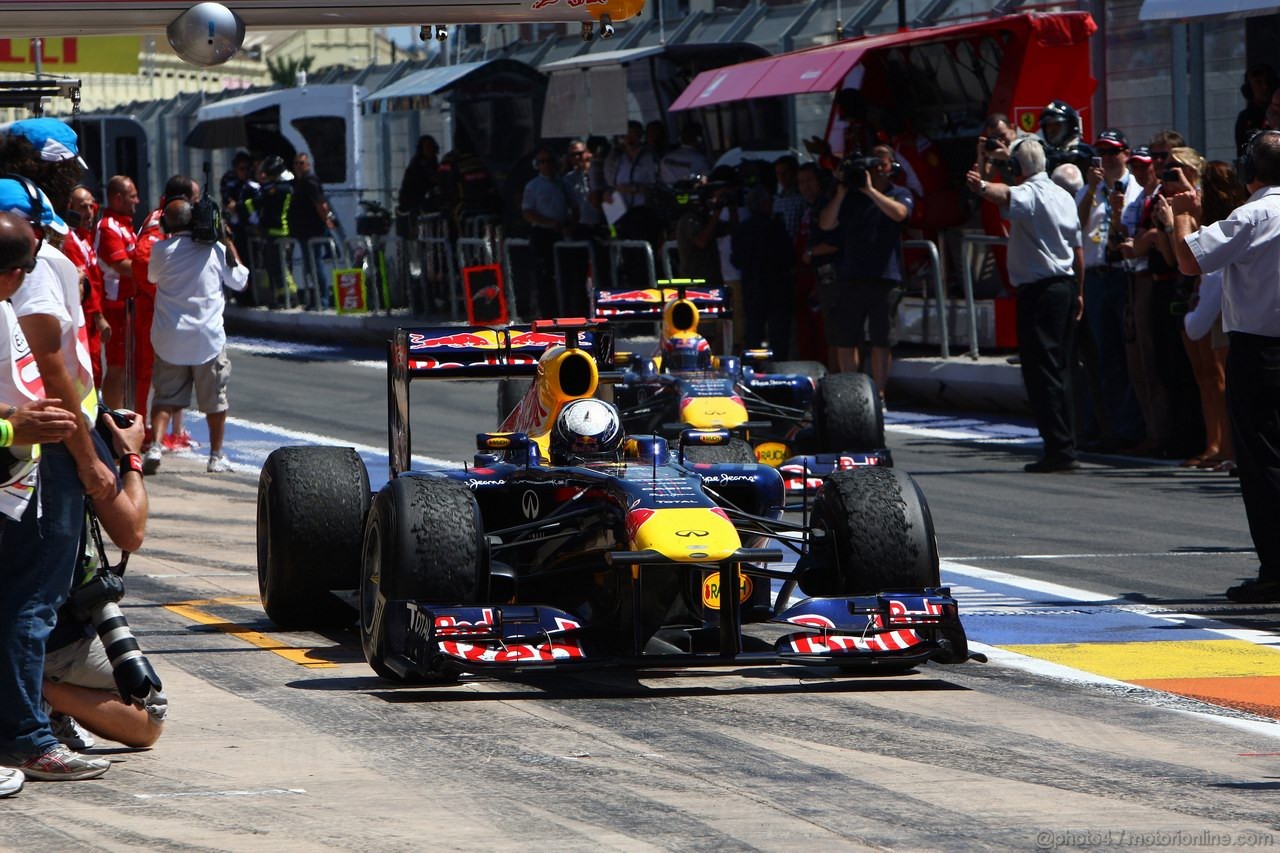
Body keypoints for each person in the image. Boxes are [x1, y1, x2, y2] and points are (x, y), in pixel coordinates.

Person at [0, 188, 115, 780]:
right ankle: (27, 737)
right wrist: (17, 428)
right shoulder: (20, 297)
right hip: (26, 471)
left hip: (19, 472)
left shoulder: (2, 311)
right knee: (31, 602)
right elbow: (47, 372)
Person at [1170, 130, 1280, 601]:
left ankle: (1276, 568)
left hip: (1261, 351)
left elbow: (1191, 261)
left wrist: (1182, 218)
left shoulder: (1254, 214)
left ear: (1247, 169)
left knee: (1263, 459)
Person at [44, 407, 165, 751]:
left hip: (29, 614)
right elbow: (130, 533)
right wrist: (130, 455)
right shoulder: (74, 433)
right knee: (149, 714)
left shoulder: (21, 426)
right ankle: (35, 694)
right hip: (51, 629)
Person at [967, 137, 1084, 472]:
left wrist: (981, 184)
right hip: (1064, 286)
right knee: (1060, 369)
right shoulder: (1063, 195)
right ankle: (1066, 442)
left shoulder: (1032, 194)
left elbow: (1002, 194)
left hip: (1039, 293)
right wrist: (1079, 292)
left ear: (1019, 168)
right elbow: (1078, 251)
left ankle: (1059, 448)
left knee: (1041, 372)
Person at [146, 199, 249, 474]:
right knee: (215, 401)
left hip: (170, 337)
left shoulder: (160, 250)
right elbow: (240, 280)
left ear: (167, 223)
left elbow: (151, 277)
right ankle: (216, 456)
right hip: (207, 338)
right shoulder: (216, 250)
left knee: (165, 397)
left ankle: (155, 445)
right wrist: (227, 240)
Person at [818, 144, 913, 395]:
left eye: (883, 164)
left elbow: (900, 214)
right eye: (875, 164)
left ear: (892, 166)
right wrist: (840, 191)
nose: (878, 169)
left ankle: (879, 392)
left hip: (885, 276)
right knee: (846, 338)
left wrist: (870, 190)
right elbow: (826, 224)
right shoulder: (850, 196)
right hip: (850, 276)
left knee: (882, 339)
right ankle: (852, 390)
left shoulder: (898, 192)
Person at [1075, 128, 1146, 450]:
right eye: (1102, 152)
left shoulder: (1137, 188)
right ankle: (1107, 427)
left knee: (1130, 354)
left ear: (1126, 153)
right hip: (1096, 276)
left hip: (1124, 274)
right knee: (1102, 357)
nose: (1107, 158)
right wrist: (1091, 190)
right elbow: (1075, 225)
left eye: (1112, 151)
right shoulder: (1090, 191)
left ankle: (1130, 427)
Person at [134, 174, 200, 458]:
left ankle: (175, 430)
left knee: (176, 369)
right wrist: (163, 291)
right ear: (183, 200)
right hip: (155, 309)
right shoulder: (161, 219)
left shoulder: (175, 219)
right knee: (152, 372)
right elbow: (141, 259)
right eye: (195, 199)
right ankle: (144, 430)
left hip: (166, 308)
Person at [732, 186, 796, 357]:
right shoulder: (776, 228)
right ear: (764, 205)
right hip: (777, 289)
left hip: (752, 289)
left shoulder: (742, 229)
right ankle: (778, 368)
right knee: (779, 337)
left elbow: (736, 260)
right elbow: (789, 257)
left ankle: (753, 369)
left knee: (753, 333)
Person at [94, 175, 139, 411]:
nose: (137, 201)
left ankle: (125, 413)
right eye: (133, 196)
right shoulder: (108, 227)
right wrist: (156, 270)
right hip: (115, 306)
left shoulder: (125, 225)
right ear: (117, 198)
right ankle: (114, 419)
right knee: (117, 366)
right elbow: (122, 264)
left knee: (129, 365)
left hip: (129, 304)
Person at [61, 185, 108, 389]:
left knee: (95, 369)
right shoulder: (70, 240)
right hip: (83, 317)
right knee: (88, 370)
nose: (89, 212)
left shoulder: (84, 238)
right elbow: (82, 282)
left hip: (91, 318)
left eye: (91, 206)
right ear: (71, 208)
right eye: (82, 207)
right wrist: (99, 317)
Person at [521, 147, 572, 318]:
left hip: (562, 234)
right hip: (542, 235)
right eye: (542, 162)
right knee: (544, 277)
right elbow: (527, 212)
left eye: (550, 161)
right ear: (537, 165)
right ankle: (548, 316)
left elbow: (574, 206)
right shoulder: (533, 186)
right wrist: (550, 223)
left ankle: (568, 312)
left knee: (566, 275)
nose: (547, 165)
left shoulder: (563, 183)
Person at [289, 152, 338, 310]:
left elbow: (320, 205)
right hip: (304, 231)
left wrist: (327, 221)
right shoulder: (301, 182)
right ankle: (314, 298)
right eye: (296, 163)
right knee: (309, 267)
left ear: (308, 164)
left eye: (301, 163)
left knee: (315, 265)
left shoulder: (310, 181)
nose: (298, 166)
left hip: (313, 230)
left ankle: (322, 300)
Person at [248, 155, 293, 306]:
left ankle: (287, 298)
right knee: (274, 267)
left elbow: (260, 203)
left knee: (280, 268)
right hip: (274, 233)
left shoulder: (280, 189)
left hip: (278, 233)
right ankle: (279, 297)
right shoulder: (280, 188)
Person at [396, 135, 441, 222]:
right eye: (427, 147)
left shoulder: (433, 162)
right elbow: (424, 181)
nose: (430, 149)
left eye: (431, 147)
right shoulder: (418, 163)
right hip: (413, 201)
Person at [1237, 65, 1279, 150]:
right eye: (1258, 82)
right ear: (1248, 89)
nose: (1265, 87)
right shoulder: (1245, 118)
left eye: (1268, 82)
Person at [771, 156, 806, 240]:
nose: (782, 177)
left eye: (785, 172)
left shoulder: (803, 197)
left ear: (795, 173)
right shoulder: (777, 200)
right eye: (778, 173)